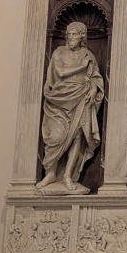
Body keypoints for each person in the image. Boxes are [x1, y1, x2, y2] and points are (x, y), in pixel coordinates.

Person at [36, 22, 105, 194]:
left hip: (81, 97)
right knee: (56, 136)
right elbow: (60, 72)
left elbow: (95, 76)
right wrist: (82, 66)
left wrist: (94, 88)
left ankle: (68, 175)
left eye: (75, 34)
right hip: (59, 99)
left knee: (77, 138)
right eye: (69, 34)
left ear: (82, 36)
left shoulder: (88, 54)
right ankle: (50, 172)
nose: (71, 38)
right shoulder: (59, 52)